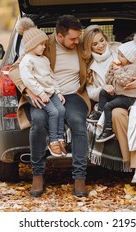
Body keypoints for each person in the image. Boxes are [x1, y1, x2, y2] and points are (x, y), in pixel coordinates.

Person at [9, 15, 90, 197]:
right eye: (72, 39)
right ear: (59, 36)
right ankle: (37, 175)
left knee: (78, 122)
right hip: (43, 94)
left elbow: (105, 49)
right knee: (37, 121)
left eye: (79, 37)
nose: (77, 41)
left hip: (72, 94)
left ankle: (79, 178)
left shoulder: (80, 45)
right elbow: (15, 68)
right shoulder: (42, 44)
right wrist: (29, 92)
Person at [82, 25, 136, 184]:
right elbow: (89, 91)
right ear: (89, 47)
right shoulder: (88, 64)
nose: (101, 45)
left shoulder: (121, 50)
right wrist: (103, 88)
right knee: (116, 114)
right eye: (95, 44)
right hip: (114, 100)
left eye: (102, 40)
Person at [17, 17, 66, 157]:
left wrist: (58, 92)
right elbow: (28, 80)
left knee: (61, 109)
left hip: (50, 92)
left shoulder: (43, 59)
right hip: (38, 94)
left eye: (44, 44)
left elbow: (51, 76)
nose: (44, 47)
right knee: (54, 112)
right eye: (41, 45)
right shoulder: (27, 61)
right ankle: (53, 141)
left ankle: (61, 138)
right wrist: (40, 93)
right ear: (31, 45)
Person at [91, 31, 136, 143]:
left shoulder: (131, 67)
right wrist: (110, 73)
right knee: (103, 93)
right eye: (94, 44)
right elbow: (109, 81)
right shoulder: (120, 64)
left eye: (121, 55)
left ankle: (108, 129)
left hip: (128, 97)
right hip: (119, 94)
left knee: (108, 106)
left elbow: (123, 80)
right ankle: (99, 114)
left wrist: (118, 70)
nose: (118, 56)